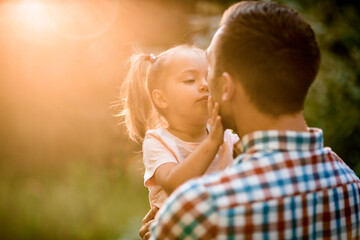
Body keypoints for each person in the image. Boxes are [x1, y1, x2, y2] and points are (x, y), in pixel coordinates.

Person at [148, 1, 360, 239]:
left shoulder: (203, 209)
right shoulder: (349, 184)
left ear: (226, 87)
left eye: (209, 72)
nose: (205, 86)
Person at [120, 45, 239, 209]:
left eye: (209, 77)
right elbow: (175, 186)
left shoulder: (225, 136)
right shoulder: (158, 141)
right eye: (190, 80)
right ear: (161, 99)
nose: (205, 85)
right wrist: (212, 143)